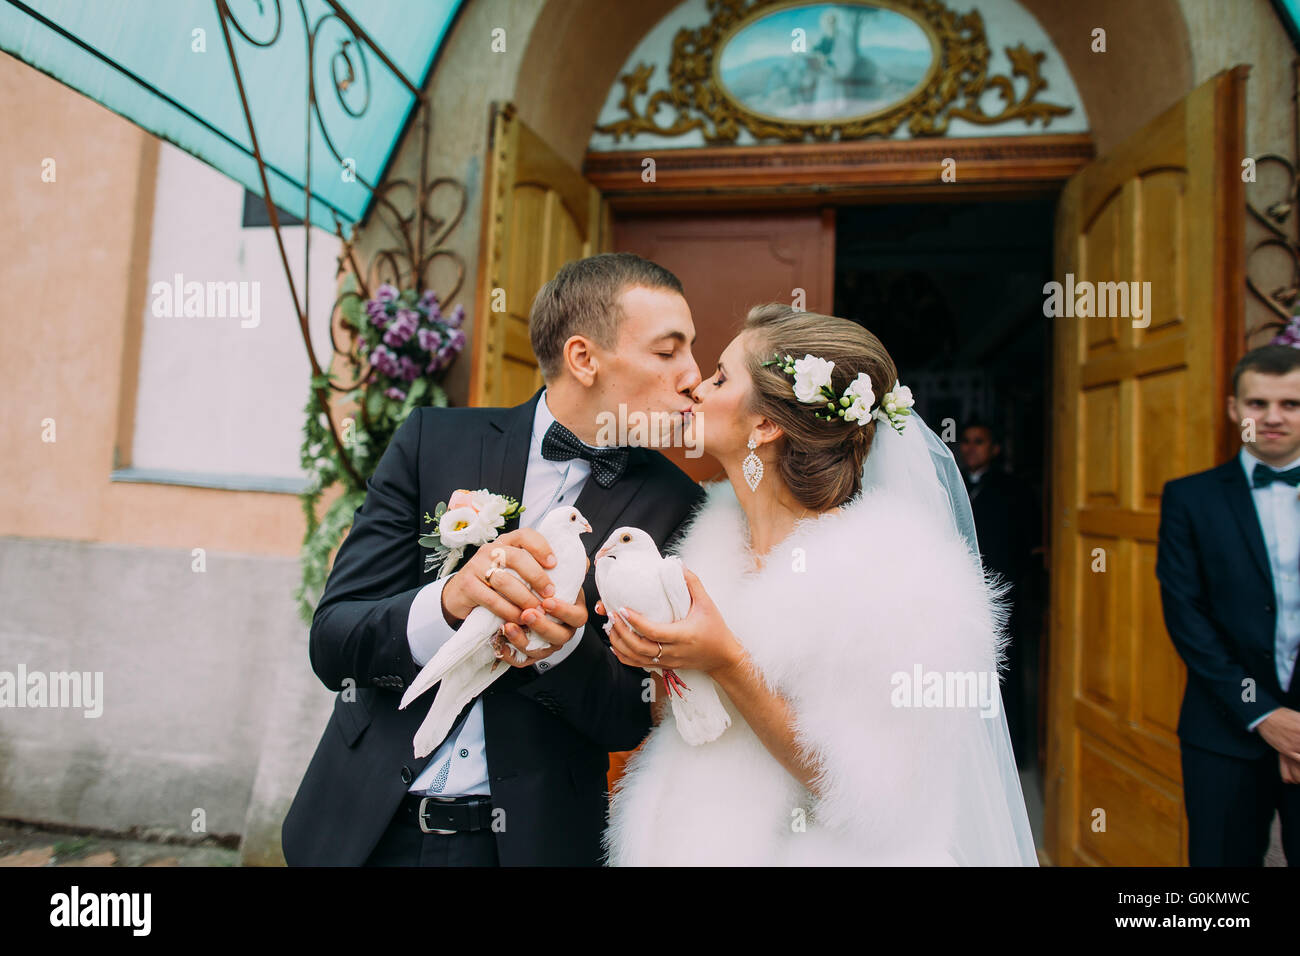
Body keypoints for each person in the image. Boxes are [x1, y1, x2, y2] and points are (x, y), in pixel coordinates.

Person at [281, 253, 706, 866]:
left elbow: (629, 717)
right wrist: (450, 604)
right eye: (669, 352)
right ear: (584, 358)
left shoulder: (679, 506)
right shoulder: (433, 441)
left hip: (526, 848)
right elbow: (333, 641)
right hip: (361, 833)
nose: (693, 375)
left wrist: (560, 650)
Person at [601, 304, 1037, 865]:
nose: (695, 388)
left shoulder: (899, 581)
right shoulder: (706, 542)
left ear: (765, 424)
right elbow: (688, 726)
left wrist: (728, 661)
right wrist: (665, 664)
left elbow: (877, 793)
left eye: (719, 377)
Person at [1156, 344, 1300, 866]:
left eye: (1291, 404)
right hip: (1221, 733)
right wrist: (1265, 715)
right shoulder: (1189, 499)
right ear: (1234, 409)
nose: (1274, 417)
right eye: (1258, 403)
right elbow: (1186, 615)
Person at [959, 419, 1041, 765]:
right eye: (966, 442)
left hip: (1003, 593)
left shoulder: (1014, 489)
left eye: (979, 441)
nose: (971, 448)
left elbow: (1029, 545)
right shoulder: (953, 483)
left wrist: (1011, 582)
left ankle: (1009, 753)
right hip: (962, 594)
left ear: (994, 448)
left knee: (1003, 672)